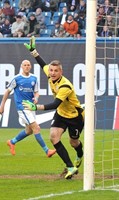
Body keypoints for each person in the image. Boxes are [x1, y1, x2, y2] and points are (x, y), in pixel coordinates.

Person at [22, 36, 84, 179]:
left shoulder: (65, 85)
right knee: (53, 136)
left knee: (73, 142)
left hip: (75, 116)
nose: (52, 72)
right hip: (61, 114)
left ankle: (79, 155)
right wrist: (33, 52)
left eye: (56, 71)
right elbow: (42, 63)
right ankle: (70, 167)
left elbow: (55, 104)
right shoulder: (50, 76)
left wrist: (35, 107)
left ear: (61, 72)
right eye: (51, 70)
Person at [0, 60, 56, 158]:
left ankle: (12, 142)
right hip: (22, 107)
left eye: (28, 65)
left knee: (29, 130)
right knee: (36, 128)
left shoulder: (34, 78)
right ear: (21, 66)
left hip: (31, 107)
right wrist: (2, 105)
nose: (26, 66)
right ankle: (47, 151)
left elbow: (37, 92)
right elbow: (7, 92)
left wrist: (36, 98)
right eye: (25, 65)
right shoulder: (16, 79)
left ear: (30, 67)